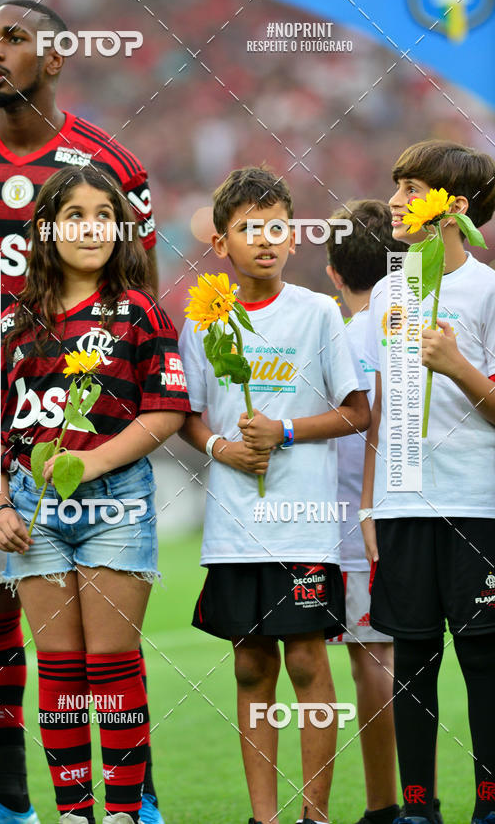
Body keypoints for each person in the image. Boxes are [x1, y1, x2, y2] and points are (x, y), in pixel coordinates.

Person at [0, 0, 162, 823]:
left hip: (91, 438)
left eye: (13, 38)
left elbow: (145, 304)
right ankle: (12, 796)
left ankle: (138, 794)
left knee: (106, 630)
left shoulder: (111, 165)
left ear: (55, 58)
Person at [0, 165, 189, 824]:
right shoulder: (13, 320)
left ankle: (126, 810)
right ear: (46, 227)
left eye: (105, 214)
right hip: (32, 511)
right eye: (75, 214)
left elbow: (165, 411)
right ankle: (75, 810)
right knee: (60, 662)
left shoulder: (140, 312)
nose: (92, 227)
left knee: (110, 657)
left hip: (115, 504)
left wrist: (90, 461)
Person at [178, 166, 370, 824]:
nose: (265, 240)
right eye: (248, 228)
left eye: (277, 227)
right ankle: (264, 818)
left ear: (294, 238)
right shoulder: (205, 319)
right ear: (221, 244)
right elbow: (190, 415)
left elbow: (356, 411)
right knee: (251, 669)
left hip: (306, 527)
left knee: (309, 661)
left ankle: (314, 814)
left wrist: (285, 429)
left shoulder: (318, 311)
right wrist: (219, 447)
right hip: (234, 527)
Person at [361, 140, 495, 824]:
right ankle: (418, 807)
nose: (395, 200)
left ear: (456, 208)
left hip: (477, 506)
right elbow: (383, 405)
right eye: (396, 185)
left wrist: (460, 366)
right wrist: (370, 504)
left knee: (484, 659)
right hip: (402, 504)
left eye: (411, 187)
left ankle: (490, 803)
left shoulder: (490, 290)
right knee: (411, 658)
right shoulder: (390, 288)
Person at [326, 200, 406, 824]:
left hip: (361, 524)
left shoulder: (344, 338)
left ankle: (387, 805)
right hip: (427, 509)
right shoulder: (414, 321)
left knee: (374, 660)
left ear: (333, 272)